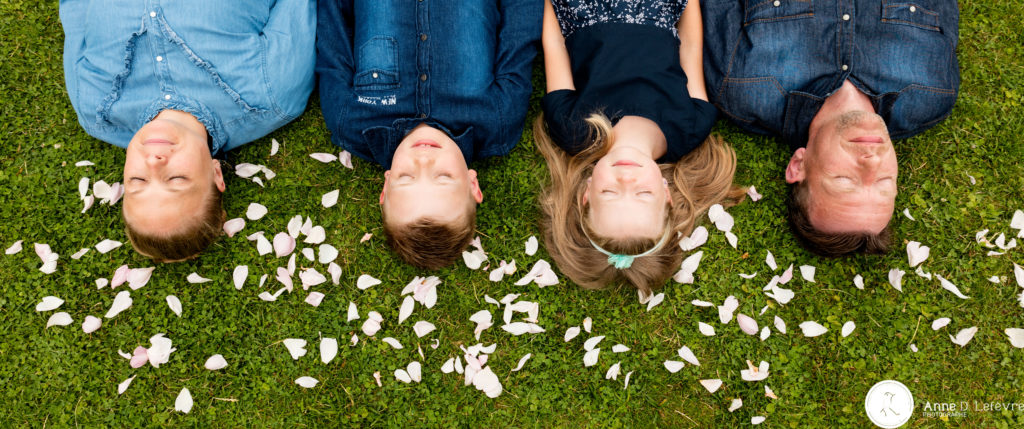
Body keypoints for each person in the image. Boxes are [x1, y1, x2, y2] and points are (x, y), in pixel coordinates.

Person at [60, 0, 316, 262]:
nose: (154, 163)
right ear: (216, 174)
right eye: (176, 179)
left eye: (138, 181)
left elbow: (76, 11)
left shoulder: (94, 108)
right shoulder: (271, 97)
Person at [702, 0, 960, 256]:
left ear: (798, 165)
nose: (871, 162)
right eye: (884, 182)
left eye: (845, 181)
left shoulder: (743, 87)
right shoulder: (933, 92)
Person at [537, 0, 746, 295]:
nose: (626, 180)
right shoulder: (689, 127)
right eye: (643, 194)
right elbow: (689, 48)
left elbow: (555, 45)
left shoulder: (574, 130)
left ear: (586, 193)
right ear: (666, 194)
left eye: (609, 193)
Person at [317, 0, 541, 270]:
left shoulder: (350, 120)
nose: (423, 160)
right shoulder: (499, 119)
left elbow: (332, 29)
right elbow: (520, 26)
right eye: (443, 177)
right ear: (473, 186)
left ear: (386, 187)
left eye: (406, 177)